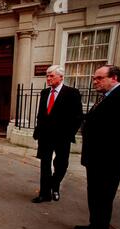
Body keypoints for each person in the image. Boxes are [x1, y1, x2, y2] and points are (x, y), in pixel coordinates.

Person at [75, 65, 120, 229]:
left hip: (110, 161)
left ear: (114, 78)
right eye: (94, 78)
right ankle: (95, 226)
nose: (95, 82)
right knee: (94, 195)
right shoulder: (103, 98)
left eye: (99, 78)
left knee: (103, 198)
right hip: (94, 159)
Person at [32, 65, 83, 203]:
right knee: (45, 164)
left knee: (61, 165)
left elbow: (78, 117)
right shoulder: (44, 92)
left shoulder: (72, 93)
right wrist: (38, 130)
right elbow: (41, 114)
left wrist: (69, 133)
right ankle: (44, 194)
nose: (48, 78)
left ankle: (54, 185)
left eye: (51, 76)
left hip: (62, 137)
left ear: (61, 77)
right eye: (47, 76)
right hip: (45, 136)